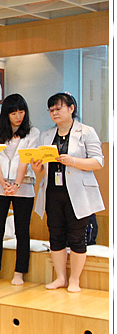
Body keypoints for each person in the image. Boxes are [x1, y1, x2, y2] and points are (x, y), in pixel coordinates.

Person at [31, 92, 104, 293]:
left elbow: (98, 162)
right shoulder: (46, 135)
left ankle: (74, 280)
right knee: (55, 235)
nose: (54, 113)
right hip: (53, 192)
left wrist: (73, 161)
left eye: (58, 108)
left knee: (77, 236)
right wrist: (37, 167)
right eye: (51, 110)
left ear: (71, 109)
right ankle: (60, 277)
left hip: (78, 193)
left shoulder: (86, 132)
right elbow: (41, 166)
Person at [0, 94, 39, 286]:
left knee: (22, 231)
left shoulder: (32, 132)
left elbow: (25, 159)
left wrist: (15, 184)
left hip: (23, 186)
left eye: (21, 112)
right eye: (14, 113)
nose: (18, 116)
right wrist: (2, 182)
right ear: (6, 114)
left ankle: (19, 273)